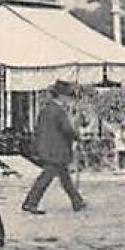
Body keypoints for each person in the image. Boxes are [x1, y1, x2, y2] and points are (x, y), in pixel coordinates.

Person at [22, 81, 87, 215]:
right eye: (68, 97)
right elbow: (66, 129)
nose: (69, 100)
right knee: (46, 177)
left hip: (48, 149)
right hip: (55, 150)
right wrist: (77, 136)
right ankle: (30, 203)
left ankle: (77, 202)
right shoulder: (58, 111)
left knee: (65, 177)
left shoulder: (46, 109)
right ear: (61, 97)